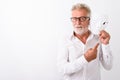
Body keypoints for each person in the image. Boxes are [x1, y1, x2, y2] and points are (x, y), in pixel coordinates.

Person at [57, 3, 113, 80]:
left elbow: (108, 66)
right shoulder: (65, 40)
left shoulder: (98, 39)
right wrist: (85, 58)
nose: (77, 23)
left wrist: (106, 44)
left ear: (89, 20)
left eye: (82, 18)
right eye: (74, 19)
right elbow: (62, 69)